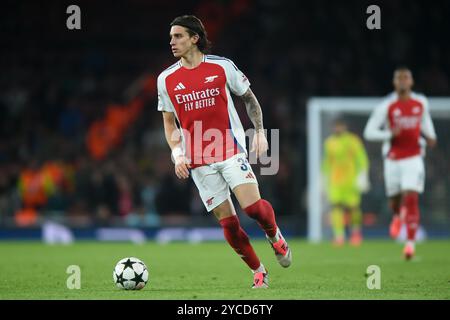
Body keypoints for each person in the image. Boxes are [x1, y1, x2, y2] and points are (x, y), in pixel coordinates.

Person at [157, 15, 291, 288]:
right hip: (197, 161)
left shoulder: (222, 67)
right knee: (228, 225)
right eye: (171, 37)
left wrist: (260, 133)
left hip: (229, 149)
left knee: (253, 208)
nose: (172, 42)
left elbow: (250, 99)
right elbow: (169, 123)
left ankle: (275, 236)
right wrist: (178, 155)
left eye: (178, 36)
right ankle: (259, 271)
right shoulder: (166, 79)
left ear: (195, 38)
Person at [364, 67, 437, 260]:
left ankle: (410, 245)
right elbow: (369, 132)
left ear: (411, 81)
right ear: (394, 82)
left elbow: (426, 123)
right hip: (393, 159)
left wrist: (431, 136)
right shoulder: (386, 106)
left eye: (406, 78)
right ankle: (397, 216)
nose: (403, 81)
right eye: (399, 78)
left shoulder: (421, 102)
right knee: (396, 201)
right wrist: (389, 134)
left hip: (413, 158)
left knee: (411, 197)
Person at [322, 119, 370, 246]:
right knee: (336, 206)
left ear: (345, 127)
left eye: (340, 126)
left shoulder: (353, 141)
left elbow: (362, 158)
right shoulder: (329, 143)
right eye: (336, 127)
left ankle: (356, 233)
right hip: (335, 181)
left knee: (353, 208)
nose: (338, 129)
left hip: (351, 180)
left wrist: (363, 174)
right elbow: (327, 162)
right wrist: (323, 178)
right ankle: (339, 236)